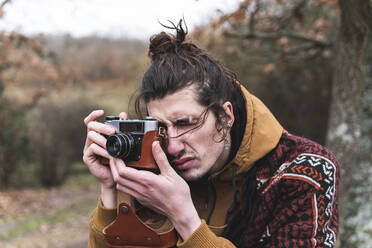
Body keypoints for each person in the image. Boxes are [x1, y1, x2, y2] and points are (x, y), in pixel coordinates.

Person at [83, 21, 339, 247]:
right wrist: (111, 191)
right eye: (161, 128)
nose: (172, 147)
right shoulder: (156, 171)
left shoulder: (305, 170)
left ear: (225, 117)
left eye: (185, 123)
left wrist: (184, 218)